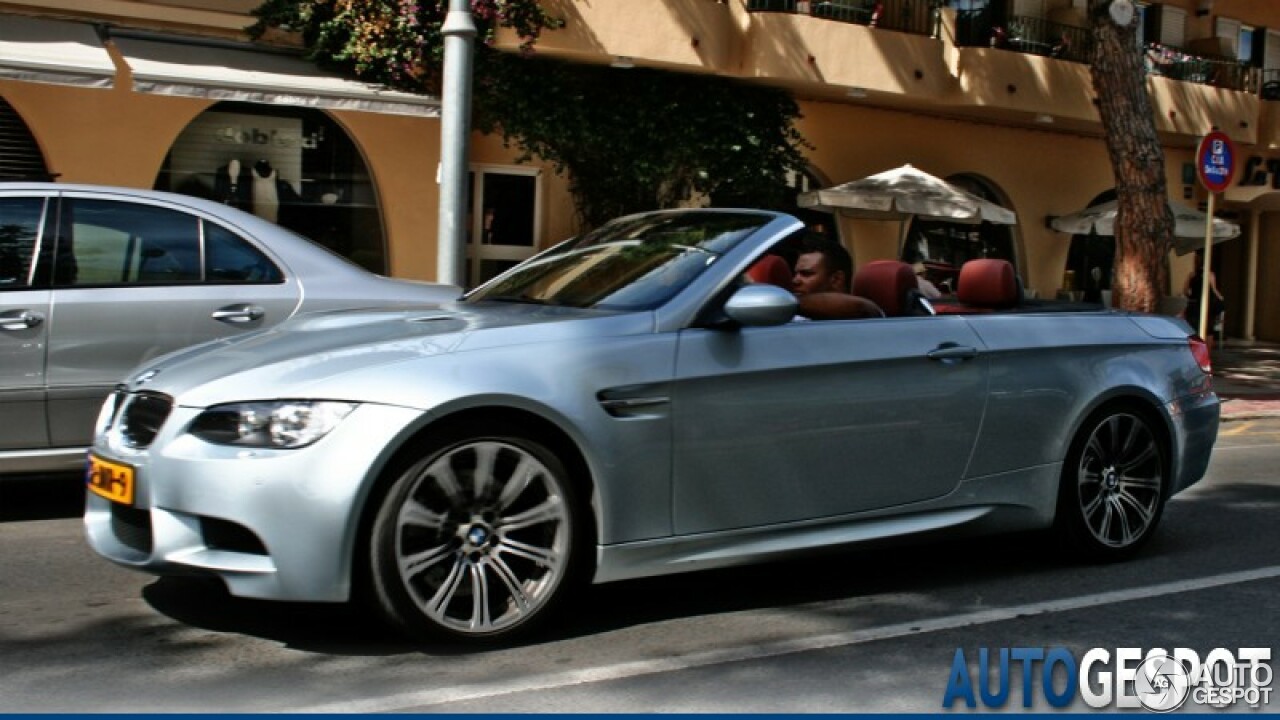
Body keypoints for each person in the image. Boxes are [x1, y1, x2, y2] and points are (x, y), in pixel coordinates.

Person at [790, 237, 882, 320]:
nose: (795, 280)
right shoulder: (793, 318)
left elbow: (861, 308)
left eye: (806, 274)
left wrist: (787, 303)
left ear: (836, 279)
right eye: (796, 274)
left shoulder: (865, 315)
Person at [1184, 248, 1225, 346]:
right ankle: (1207, 356)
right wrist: (1221, 298)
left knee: (1193, 330)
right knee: (1208, 331)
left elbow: (1185, 291)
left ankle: (1195, 355)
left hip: (1194, 306)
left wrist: (1192, 295)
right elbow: (1214, 290)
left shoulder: (1192, 275)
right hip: (1207, 306)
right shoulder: (1210, 275)